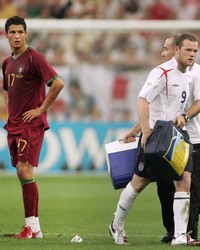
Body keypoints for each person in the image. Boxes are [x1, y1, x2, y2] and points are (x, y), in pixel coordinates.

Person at [108, 33, 198, 246]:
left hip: (177, 137)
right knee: (139, 182)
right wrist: (145, 132)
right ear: (177, 50)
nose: (192, 54)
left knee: (184, 180)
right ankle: (116, 225)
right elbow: (143, 100)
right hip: (157, 137)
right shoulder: (162, 72)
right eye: (188, 50)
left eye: (195, 51)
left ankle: (179, 236)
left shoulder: (188, 76)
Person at [2, 16, 64, 239]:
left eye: (20, 32)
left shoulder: (35, 58)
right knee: (21, 172)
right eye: (12, 32)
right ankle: (34, 228)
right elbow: (7, 91)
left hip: (31, 124)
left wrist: (41, 109)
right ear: (6, 35)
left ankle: (31, 227)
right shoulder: (6, 63)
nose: (16, 36)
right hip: (14, 124)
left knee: (24, 170)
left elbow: (58, 83)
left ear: (26, 34)